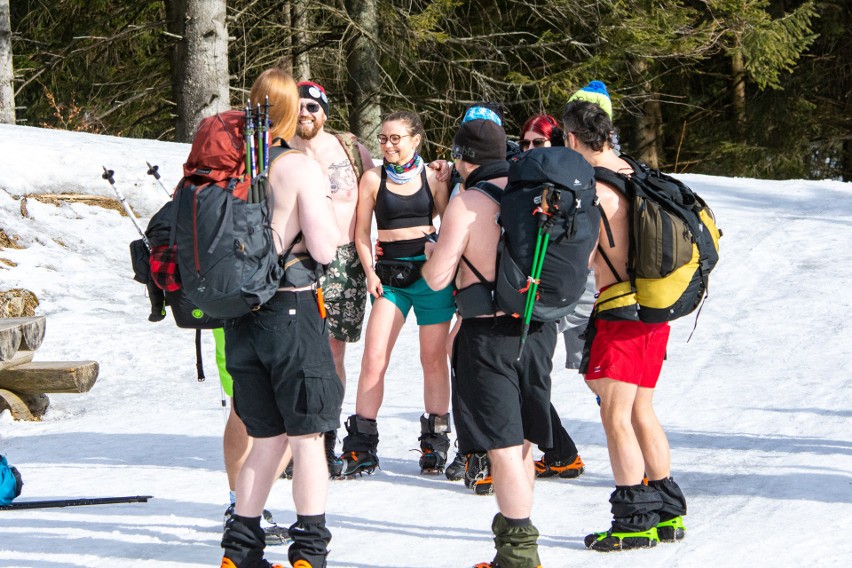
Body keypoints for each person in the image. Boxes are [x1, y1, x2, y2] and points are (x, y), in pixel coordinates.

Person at [220, 67, 343, 568]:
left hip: (240, 316)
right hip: (291, 310)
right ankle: (309, 552)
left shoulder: (226, 166)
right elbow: (325, 249)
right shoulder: (296, 167)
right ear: (292, 111)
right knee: (308, 436)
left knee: (265, 436)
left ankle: (239, 551)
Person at [422, 117, 552, 568]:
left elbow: (438, 279)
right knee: (521, 446)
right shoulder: (534, 193)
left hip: (486, 334)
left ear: (463, 157)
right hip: (536, 330)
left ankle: (519, 557)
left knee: (501, 446)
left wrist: (431, 255)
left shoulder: (468, 201)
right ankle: (511, 553)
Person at [562, 99, 687, 552]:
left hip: (621, 310)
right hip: (656, 308)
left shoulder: (594, 189)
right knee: (640, 410)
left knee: (615, 415)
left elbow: (584, 256)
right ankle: (666, 512)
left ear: (573, 139)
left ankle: (634, 521)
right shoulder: (636, 172)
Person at [339, 110, 455, 477]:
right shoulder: (373, 179)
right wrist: (370, 273)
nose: (387, 145)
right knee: (374, 358)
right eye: (384, 139)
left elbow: (451, 226)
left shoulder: (433, 177)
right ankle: (361, 447)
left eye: (396, 138)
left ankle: (435, 445)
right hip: (389, 279)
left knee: (433, 359)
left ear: (415, 140)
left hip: (429, 277)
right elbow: (360, 233)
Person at [286, 80, 373, 478]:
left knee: (333, 351)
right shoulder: (279, 149)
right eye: (299, 106)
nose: (305, 113)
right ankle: (294, 439)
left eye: (313, 107)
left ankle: (327, 437)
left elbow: (385, 187)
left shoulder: (351, 149)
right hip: (295, 261)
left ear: (326, 113)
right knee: (294, 351)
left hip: (344, 261)